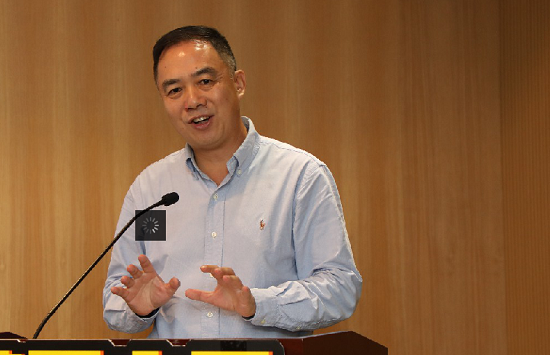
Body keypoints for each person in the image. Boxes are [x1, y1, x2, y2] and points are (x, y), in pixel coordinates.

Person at [102, 26, 361, 338]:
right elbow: (115, 300)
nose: (192, 101)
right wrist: (138, 308)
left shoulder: (299, 177)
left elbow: (339, 287)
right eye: (175, 90)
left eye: (205, 82)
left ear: (238, 83)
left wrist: (258, 304)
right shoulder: (151, 190)